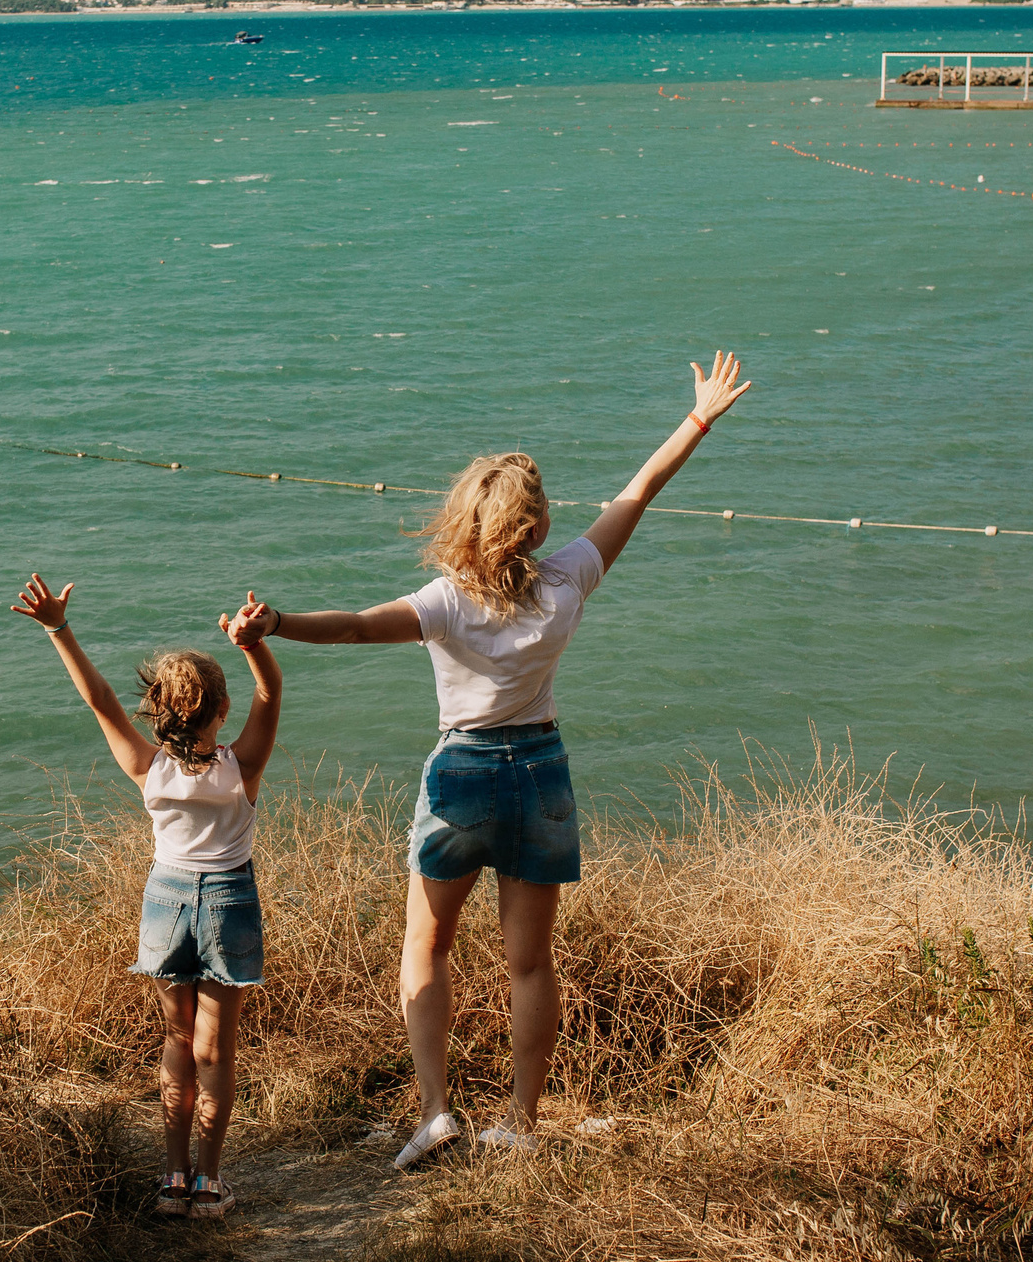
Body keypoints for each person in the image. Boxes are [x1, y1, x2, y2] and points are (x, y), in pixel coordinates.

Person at [229, 352, 750, 1169]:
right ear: (536, 527)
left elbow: (359, 626)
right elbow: (639, 489)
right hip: (541, 773)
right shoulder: (569, 579)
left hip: (461, 778)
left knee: (425, 948)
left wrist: (277, 623)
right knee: (529, 961)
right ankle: (521, 1119)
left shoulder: (445, 602)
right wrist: (698, 417)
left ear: (469, 522)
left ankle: (437, 1111)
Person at [12, 572, 282, 1219]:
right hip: (227, 903)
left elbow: (100, 697)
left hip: (164, 903)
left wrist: (58, 627)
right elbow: (271, 694)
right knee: (217, 1049)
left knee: (176, 1037)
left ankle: (171, 1178)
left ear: (157, 713)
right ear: (221, 711)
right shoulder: (241, 765)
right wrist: (252, 643)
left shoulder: (148, 766)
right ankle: (211, 1184)